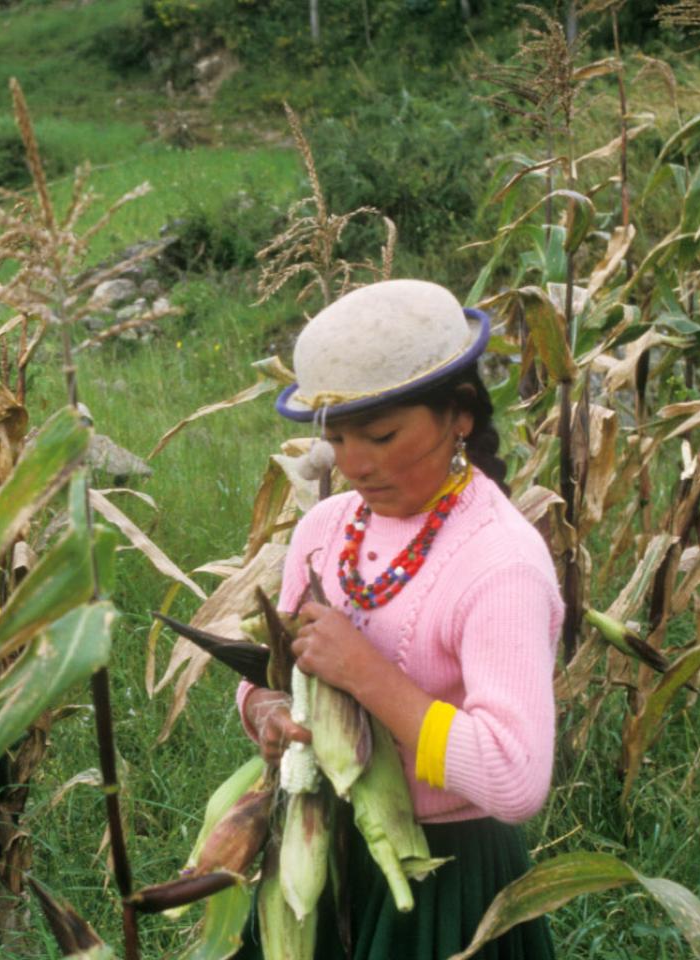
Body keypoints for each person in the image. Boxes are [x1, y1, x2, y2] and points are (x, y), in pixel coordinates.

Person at [235, 279, 559, 960]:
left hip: (444, 881)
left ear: (459, 414)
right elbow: (276, 675)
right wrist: (265, 711)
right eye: (339, 438)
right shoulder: (324, 530)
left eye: (380, 435)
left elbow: (515, 777)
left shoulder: (500, 563)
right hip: (319, 851)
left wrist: (369, 676)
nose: (355, 464)